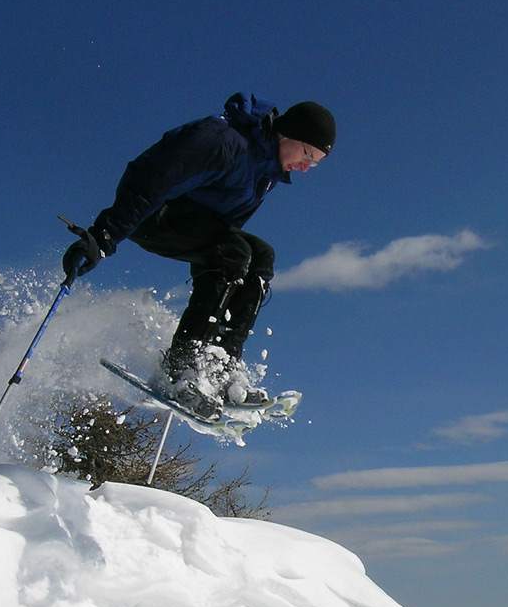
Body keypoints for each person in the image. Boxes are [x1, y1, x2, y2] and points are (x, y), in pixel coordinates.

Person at [63, 93, 334, 417]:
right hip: (152, 213)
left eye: (314, 163)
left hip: (191, 219)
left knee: (260, 257)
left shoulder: (266, 173)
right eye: (307, 153)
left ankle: (221, 369)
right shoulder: (223, 140)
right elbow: (153, 176)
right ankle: (179, 370)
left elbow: (223, 230)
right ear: (288, 132)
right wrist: (105, 233)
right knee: (236, 252)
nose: (306, 167)